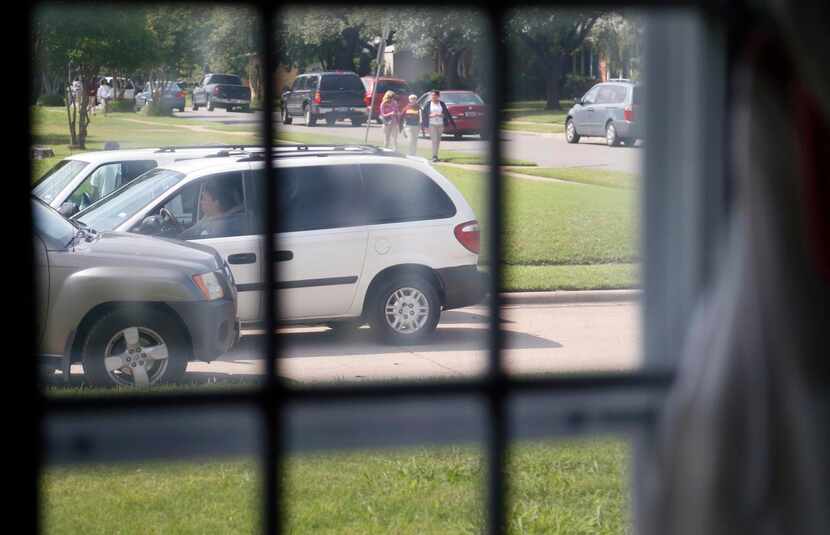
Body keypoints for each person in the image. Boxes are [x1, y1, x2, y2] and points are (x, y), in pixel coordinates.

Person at [178, 181, 245, 240]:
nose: (201, 202)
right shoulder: (208, 217)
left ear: (216, 203)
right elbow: (192, 230)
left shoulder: (221, 226)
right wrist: (179, 236)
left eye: (204, 199)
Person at [420, 90, 457, 162]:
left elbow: (446, 113)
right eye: (432, 95)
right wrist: (430, 116)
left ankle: (436, 155)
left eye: (434, 95)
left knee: (438, 140)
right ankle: (434, 156)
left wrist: (441, 115)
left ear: (438, 96)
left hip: (440, 124)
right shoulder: (428, 104)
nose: (433, 96)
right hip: (431, 124)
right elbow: (424, 114)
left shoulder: (442, 104)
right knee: (434, 140)